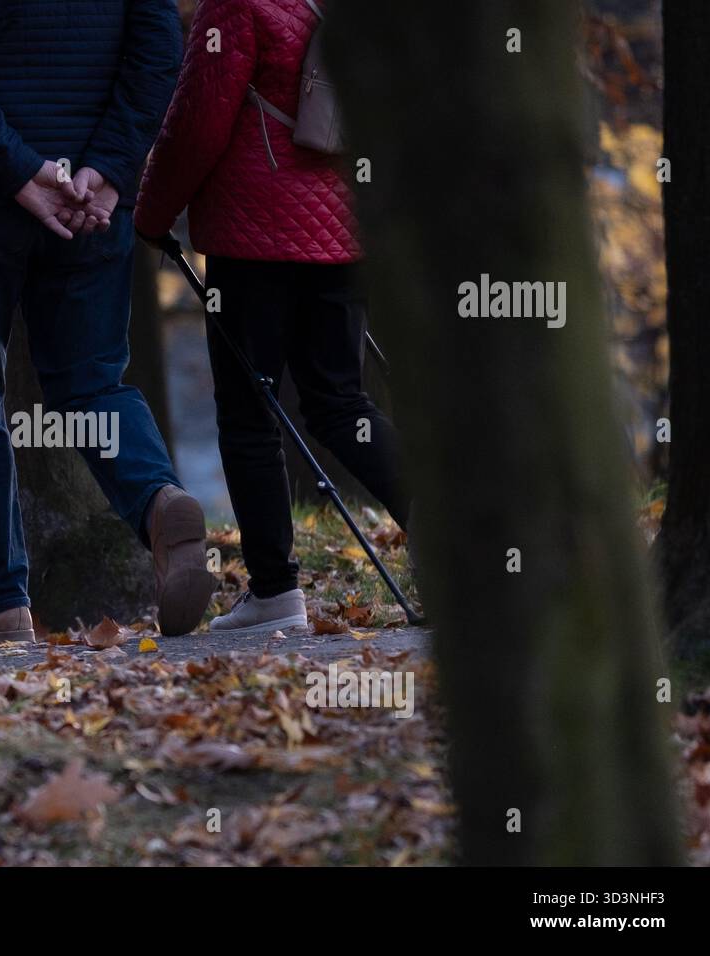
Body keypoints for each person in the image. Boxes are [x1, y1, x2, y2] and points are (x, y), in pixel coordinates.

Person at [0, 0, 216, 646]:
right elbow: (158, 49)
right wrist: (106, 169)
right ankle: (158, 502)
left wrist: (16, 169)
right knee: (92, 383)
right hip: (90, 202)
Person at [135, 0, 411, 636]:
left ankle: (275, 593)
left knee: (249, 412)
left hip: (252, 238)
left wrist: (152, 215)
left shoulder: (237, 7)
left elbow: (197, 127)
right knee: (343, 404)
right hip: (342, 231)